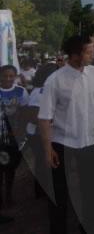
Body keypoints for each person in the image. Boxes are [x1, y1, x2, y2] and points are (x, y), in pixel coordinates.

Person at [38, 35, 94, 234]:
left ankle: (89, 225)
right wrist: (47, 149)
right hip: (63, 143)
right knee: (60, 192)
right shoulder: (55, 80)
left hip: (90, 140)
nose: (93, 54)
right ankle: (59, 228)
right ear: (76, 55)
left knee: (90, 189)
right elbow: (44, 118)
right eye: (89, 51)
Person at [24, 63, 58, 199]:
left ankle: (44, 189)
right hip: (38, 134)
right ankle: (42, 191)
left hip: (46, 133)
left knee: (45, 162)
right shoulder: (39, 92)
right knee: (43, 163)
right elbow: (33, 116)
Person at [0, 65, 29, 208]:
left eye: (11, 76)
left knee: (11, 168)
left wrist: (20, 131)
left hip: (14, 137)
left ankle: (9, 195)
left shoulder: (21, 91)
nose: (8, 78)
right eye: (5, 75)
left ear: (15, 76)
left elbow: (25, 113)